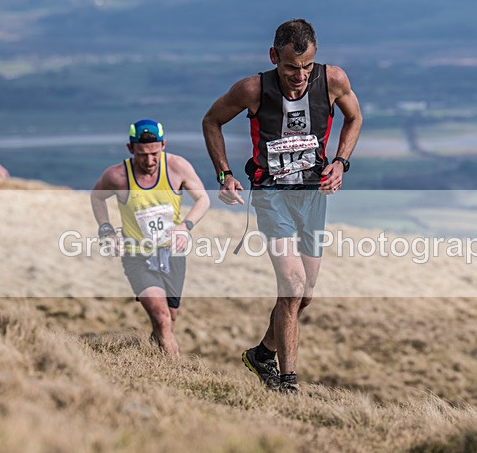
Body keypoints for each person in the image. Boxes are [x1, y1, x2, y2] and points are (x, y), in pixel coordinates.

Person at [202, 19, 362, 393]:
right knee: (291, 284)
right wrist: (224, 174)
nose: (300, 76)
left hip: (313, 196)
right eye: (291, 67)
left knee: (304, 295)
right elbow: (211, 121)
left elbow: (355, 117)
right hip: (271, 194)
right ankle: (287, 384)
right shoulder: (253, 89)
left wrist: (340, 162)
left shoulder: (334, 79)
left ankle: (262, 353)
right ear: (274, 57)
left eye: (307, 67)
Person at [91, 119, 210, 359]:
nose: (149, 161)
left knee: (169, 318)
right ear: (130, 148)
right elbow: (97, 197)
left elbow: (203, 199)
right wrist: (106, 229)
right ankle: (176, 375)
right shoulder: (117, 176)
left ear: (164, 145)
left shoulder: (178, 167)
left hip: (172, 253)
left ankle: (151, 359)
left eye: (155, 153)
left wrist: (185, 227)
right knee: (162, 317)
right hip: (137, 254)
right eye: (142, 154)